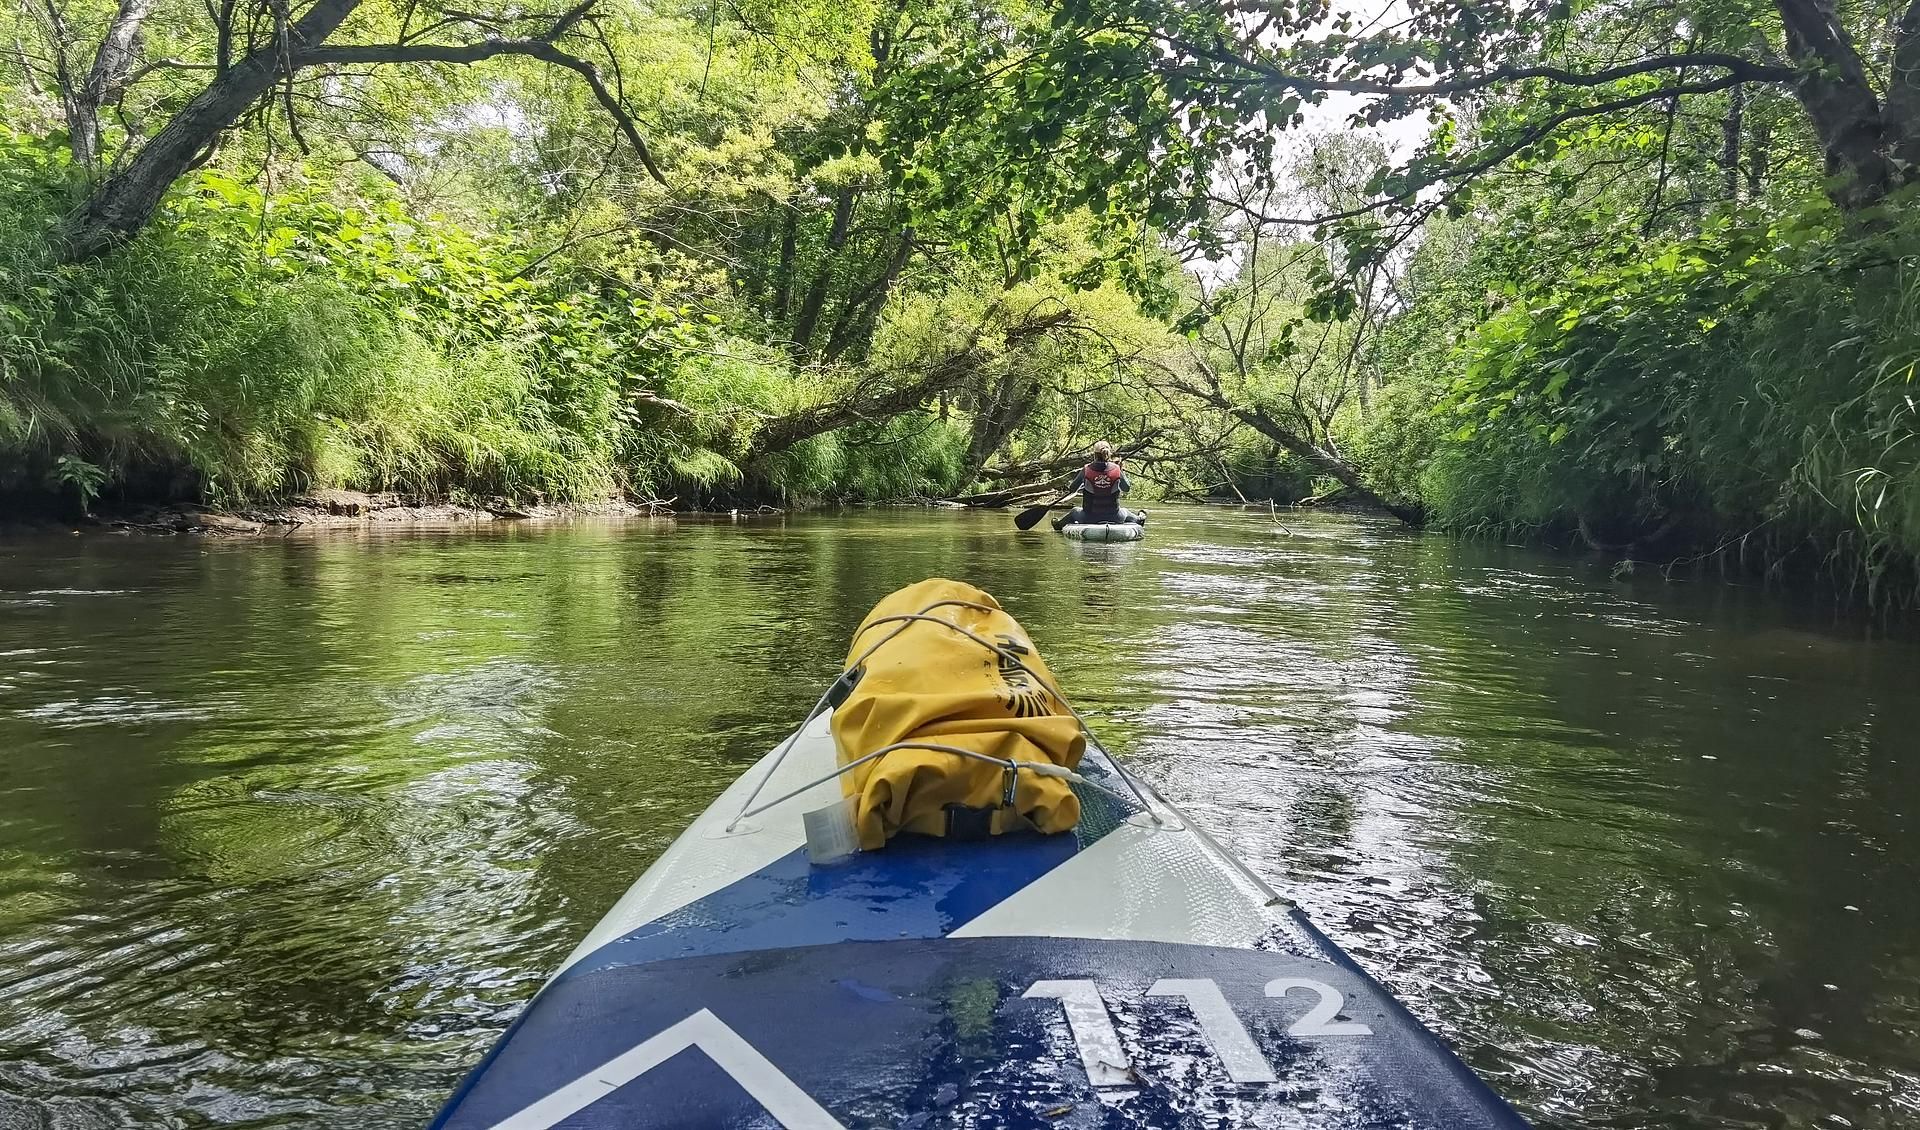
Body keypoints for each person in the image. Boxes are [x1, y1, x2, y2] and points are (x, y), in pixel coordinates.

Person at [1052, 441, 1147, 530]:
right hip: (1115, 517)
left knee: (1075, 511)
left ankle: (1058, 524)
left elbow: (1072, 488)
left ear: (1094, 455)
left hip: (1088, 518)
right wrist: (1122, 471)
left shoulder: (1086, 469)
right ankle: (1139, 519)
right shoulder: (1117, 469)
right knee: (1125, 511)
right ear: (1109, 454)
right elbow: (1126, 488)